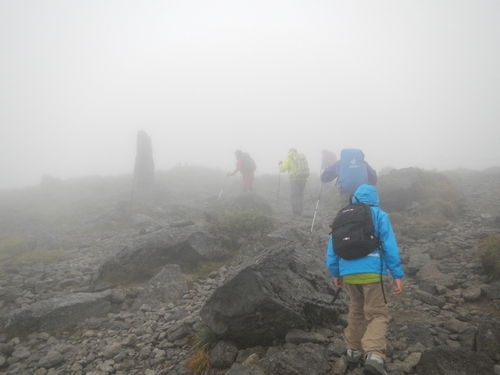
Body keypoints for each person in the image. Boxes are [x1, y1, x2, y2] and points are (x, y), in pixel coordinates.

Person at [326, 184, 404, 375]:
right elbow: (390, 247)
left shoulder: (343, 215)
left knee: (356, 310)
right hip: (372, 272)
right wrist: (397, 274)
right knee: (377, 313)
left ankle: (352, 351)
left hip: (348, 273)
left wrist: (335, 272)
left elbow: (332, 247)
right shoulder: (379, 215)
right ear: (375, 198)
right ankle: (374, 355)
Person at [278, 148, 309, 216]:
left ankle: (296, 211)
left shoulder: (290, 158)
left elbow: (283, 169)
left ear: (289, 152)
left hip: (294, 180)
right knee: (300, 194)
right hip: (303, 179)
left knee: (294, 195)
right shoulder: (301, 158)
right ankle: (300, 209)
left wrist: (280, 165)